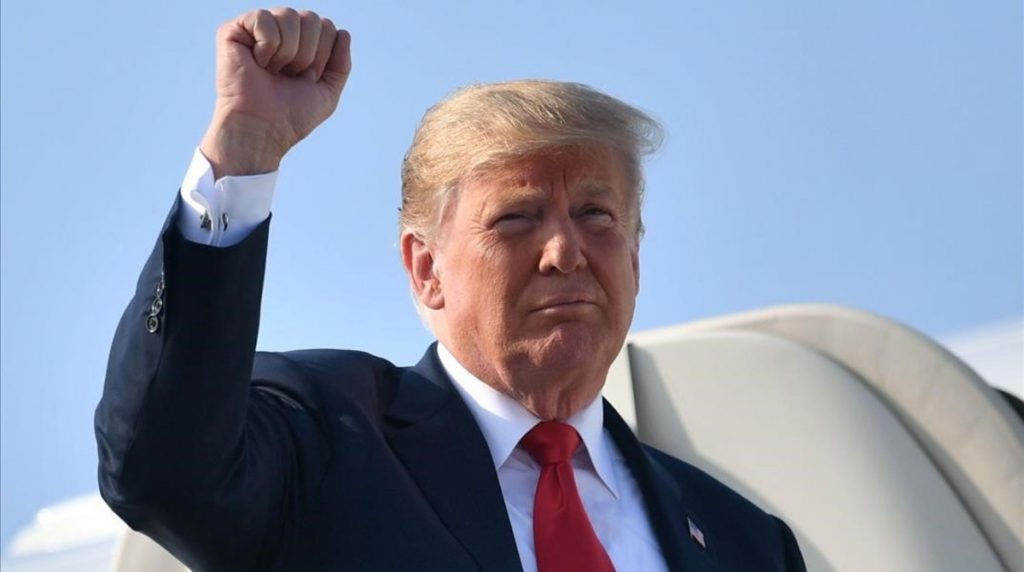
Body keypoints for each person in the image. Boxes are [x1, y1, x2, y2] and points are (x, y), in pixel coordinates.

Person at [95, 8, 806, 572]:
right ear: (426, 270)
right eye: (517, 218)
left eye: (596, 215)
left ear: (636, 258)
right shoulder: (326, 443)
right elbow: (164, 469)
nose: (565, 252)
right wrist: (243, 152)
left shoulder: (748, 543)